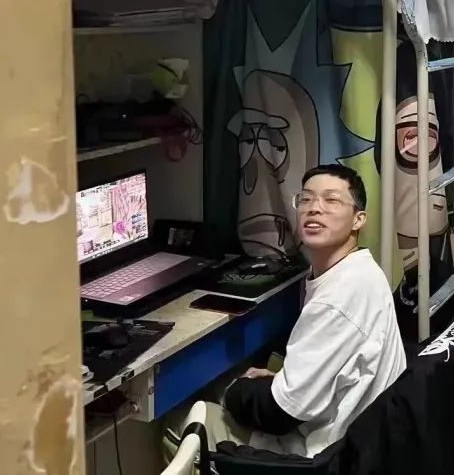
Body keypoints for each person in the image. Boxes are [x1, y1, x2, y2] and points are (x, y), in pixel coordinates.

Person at [166, 165, 406, 459]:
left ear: (359, 219)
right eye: (306, 199)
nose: (314, 208)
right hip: (353, 436)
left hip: (322, 456)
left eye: (331, 200)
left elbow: (279, 414)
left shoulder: (337, 299)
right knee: (228, 389)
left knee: (181, 421)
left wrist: (237, 390)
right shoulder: (361, 271)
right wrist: (279, 382)